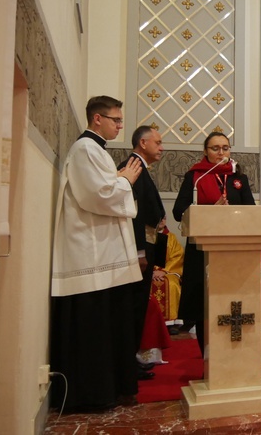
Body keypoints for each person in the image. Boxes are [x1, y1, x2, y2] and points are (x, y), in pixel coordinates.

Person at [50, 95, 143, 411]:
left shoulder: (95, 150)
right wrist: (126, 182)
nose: (120, 125)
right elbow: (98, 195)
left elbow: (102, 189)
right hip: (89, 253)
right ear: (97, 119)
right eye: (116, 119)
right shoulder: (86, 149)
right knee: (92, 329)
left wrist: (118, 181)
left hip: (100, 253)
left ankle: (109, 388)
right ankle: (91, 394)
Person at [172, 132, 255, 355]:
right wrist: (210, 212)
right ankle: (208, 357)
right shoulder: (196, 177)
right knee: (204, 306)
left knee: (232, 304)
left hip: (234, 251)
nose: (221, 153)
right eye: (215, 148)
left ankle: (233, 355)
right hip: (202, 252)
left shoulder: (239, 178)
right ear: (205, 152)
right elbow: (178, 211)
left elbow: (251, 212)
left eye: (225, 148)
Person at [118, 126, 165, 380]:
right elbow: (132, 214)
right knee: (133, 307)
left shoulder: (140, 167)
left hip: (145, 247)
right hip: (139, 250)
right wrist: (138, 252)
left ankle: (131, 359)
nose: (161, 147)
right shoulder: (133, 166)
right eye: (157, 142)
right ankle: (127, 364)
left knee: (138, 307)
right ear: (143, 142)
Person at [151, 218, 184, 333]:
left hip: (168, 272)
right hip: (150, 273)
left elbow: (177, 256)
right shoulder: (146, 237)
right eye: (159, 218)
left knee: (172, 284)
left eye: (164, 218)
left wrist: (164, 270)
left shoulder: (172, 237)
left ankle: (171, 323)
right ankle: (150, 323)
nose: (162, 221)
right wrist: (154, 271)